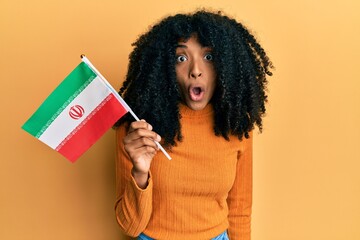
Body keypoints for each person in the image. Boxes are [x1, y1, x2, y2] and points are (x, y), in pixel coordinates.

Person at [113, 10, 273, 240]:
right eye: (181, 58)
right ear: (164, 68)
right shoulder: (138, 130)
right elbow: (130, 226)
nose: (196, 70)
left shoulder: (236, 124)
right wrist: (140, 172)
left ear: (226, 65)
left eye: (208, 57)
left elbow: (239, 211)